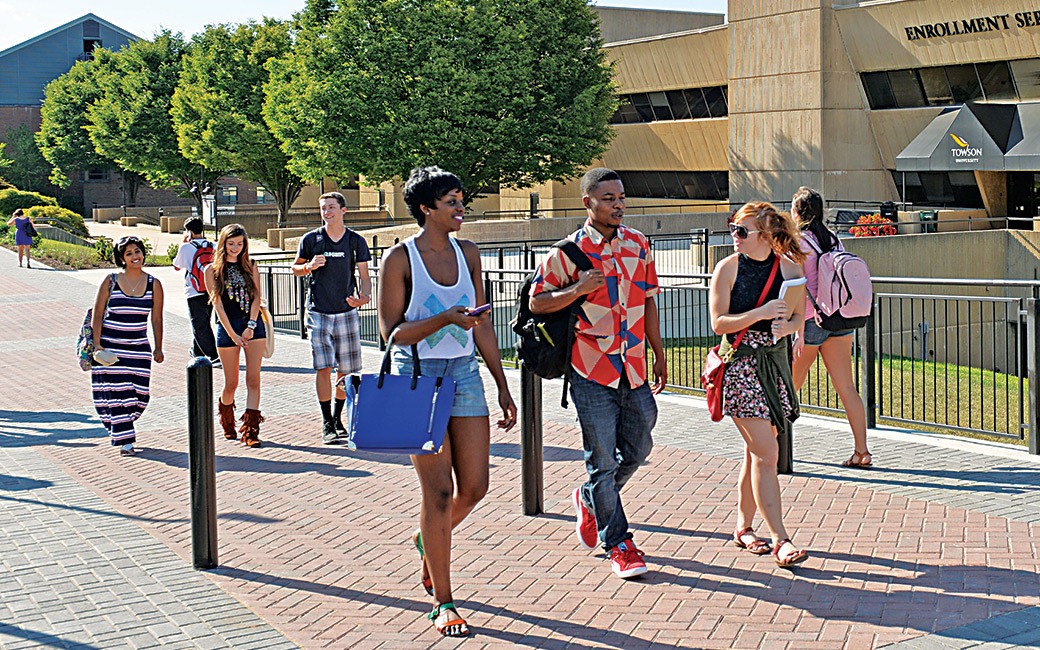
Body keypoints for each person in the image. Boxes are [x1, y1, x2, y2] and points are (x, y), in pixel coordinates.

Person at [378, 166, 516, 637]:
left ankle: (426, 541)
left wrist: (501, 383)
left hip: (465, 372)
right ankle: (443, 600)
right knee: (436, 494)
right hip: (417, 377)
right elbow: (391, 334)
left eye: (462, 200)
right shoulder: (400, 259)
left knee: (475, 487)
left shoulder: (469, 252)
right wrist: (444, 320)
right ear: (426, 208)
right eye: (452, 202)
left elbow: (480, 324)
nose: (461, 209)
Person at [529, 167, 667, 580]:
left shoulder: (638, 244)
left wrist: (659, 354)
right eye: (608, 198)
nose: (618, 204)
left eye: (621, 197)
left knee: (639, 448)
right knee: (602, 460)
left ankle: (590, 499)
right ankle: (619, 543)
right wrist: (576, 289)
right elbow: (537, 303)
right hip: (590, 369)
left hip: (634, 366)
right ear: (587, 201)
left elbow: (648, 302)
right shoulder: (567, 252)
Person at [708, 201, 808, 568]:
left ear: (765, 236)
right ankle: (781, 538)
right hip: (740, 366)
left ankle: (744, 527)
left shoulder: (790, 270)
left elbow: (800, 315)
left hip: (772, 366)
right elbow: (719, 323)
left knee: (757, 451)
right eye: (733, 229)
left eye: (742, 231)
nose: (735, 237)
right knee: (768, 454)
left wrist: (789, 326)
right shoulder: (727, 268)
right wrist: (761, 314)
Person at [790, 187, 871, 468]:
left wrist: (798, 330)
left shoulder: (798, 243)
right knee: (847, 387)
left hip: (812, 322)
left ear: (797, 213)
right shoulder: (834, 239)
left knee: (788, 388)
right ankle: (862, 452)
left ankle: (776, 448)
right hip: (839, 319)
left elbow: (798, 288)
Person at [291, 192, 373, 444]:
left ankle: (339, 419)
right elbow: (294, 268)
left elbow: (365, 276)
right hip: (318, 311)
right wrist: (308, 267)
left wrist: (365, 297)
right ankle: (326, 421)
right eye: (323, 208)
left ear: (343, 210)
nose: (327, 212)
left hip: (346, 311)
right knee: (323, 366)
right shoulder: (311, 239)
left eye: (331, 207)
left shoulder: (355, 241)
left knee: (346, 371)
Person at [90, 236, 164, 456]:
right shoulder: (110, 280)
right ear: (122, 258)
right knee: (118, 394)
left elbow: (157, 319)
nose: (135, 256)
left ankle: (120, 424)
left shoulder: (154, 283)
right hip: (111, 349)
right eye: (129, 253)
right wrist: (96, 346)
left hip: (139, 349)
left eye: (137, 251)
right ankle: (125, 439)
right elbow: (98, 313)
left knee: (141, 396)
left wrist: (158, 348)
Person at [206, 224, 266, 448]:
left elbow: (256, 297)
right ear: (223, 243)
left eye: (240, 244)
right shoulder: (211, 270)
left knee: (253, 379)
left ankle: (251, 430)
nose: (235, 248)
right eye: (231, 243)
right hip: (227, 327)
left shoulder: (251, 265)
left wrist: (251, 326)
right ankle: (227, 419)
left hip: (253, 327)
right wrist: (232, 334)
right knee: (231, 383)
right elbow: (218, 306)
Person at [172, 217, 219, 366]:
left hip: (194, 290)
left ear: (189, 232)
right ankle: (196, 351)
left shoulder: (185, 248)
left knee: (200, 324)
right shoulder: (214, 245)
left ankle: (213, 356)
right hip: (211, 289)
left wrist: (184, 243)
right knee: (204, 320)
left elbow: (177, 266)